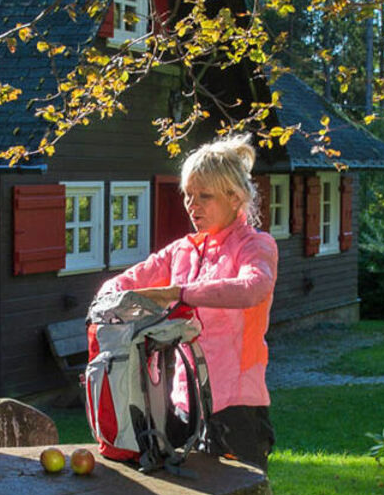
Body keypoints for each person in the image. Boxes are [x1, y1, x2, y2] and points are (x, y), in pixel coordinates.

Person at [99, 134, 278, 467]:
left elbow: (253, 287)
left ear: (234, 197)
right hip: (180, 406)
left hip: (236, 410)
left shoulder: (255, 246)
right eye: (188, 195)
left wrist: (177, 293)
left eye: (204, 196)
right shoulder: (182, 250)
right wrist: (108, 298)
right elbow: (124, 281)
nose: (192, 206)